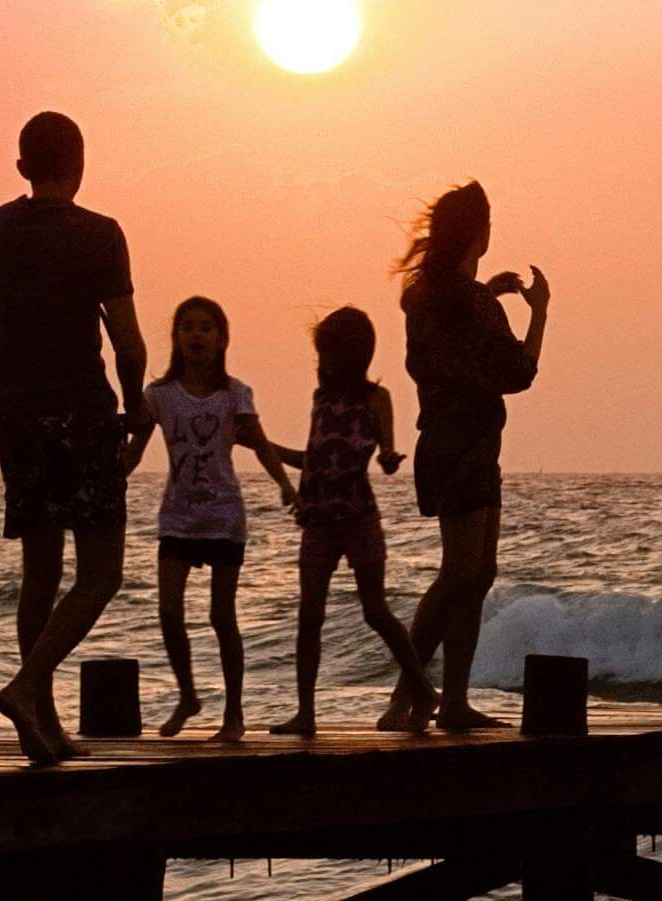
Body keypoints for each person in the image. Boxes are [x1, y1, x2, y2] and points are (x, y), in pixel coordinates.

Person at [0, 110, 141, 764]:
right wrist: (137, 406)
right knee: (101, 571)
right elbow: (128, 342)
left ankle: (45, 726)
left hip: (15, 415)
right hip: (81, 414)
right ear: (81, 162)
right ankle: (28, 686)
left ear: (21, 167)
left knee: (40, 571)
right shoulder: (100, 235)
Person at [392, 181, 549, 732]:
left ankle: (447, 698)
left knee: (477, 573)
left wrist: (487, 290)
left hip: (450, 444)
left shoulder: (428, 295)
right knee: (460, 573)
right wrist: (540, 311)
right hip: (466, 448)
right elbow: (518, 373)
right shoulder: (469, 302)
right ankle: (409, 699)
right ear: (478, 232)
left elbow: (454, 339)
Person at [121, 295, 297, 741]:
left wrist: (285, 484)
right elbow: (133, 451)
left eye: (205, 328)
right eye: (187, 328)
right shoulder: (158, 396)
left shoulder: (235, 394)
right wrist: (106, 480)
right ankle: (187, 695)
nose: (196, 335)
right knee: (168, 610)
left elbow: (259, 443)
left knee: (222, 616)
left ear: (221, 339)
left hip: (223, 517)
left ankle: (233, 715)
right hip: (178, 518)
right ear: (176, 338)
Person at [272, 307, 432, 739]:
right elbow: (313, 461)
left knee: (375, 611)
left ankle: (421, 688)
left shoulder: (374, 399)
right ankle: (305, 712)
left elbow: (386, 457)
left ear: (353, 354)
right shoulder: (320, 399)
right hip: (318, 521)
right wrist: (264, 446)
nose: (323, 362)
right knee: (309, 615)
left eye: (329, 353)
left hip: (359, 517)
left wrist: (390, 458)